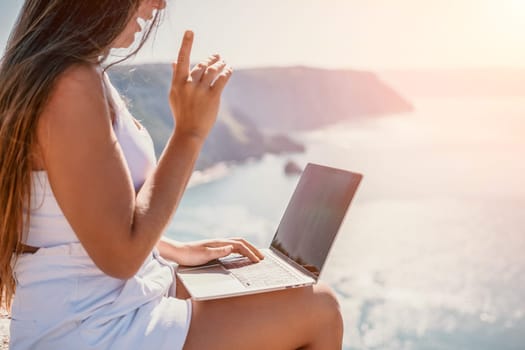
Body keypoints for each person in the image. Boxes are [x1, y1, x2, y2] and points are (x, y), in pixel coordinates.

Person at [0, 0, 344, 349]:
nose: (160, 4)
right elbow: (119, 257)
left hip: (102, 304)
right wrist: (189, 133)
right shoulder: (71, 85)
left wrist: (172, 249)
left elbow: (80, 217)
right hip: (91, 327)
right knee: (321, 307)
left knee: (278, 286)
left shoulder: (70, 76)